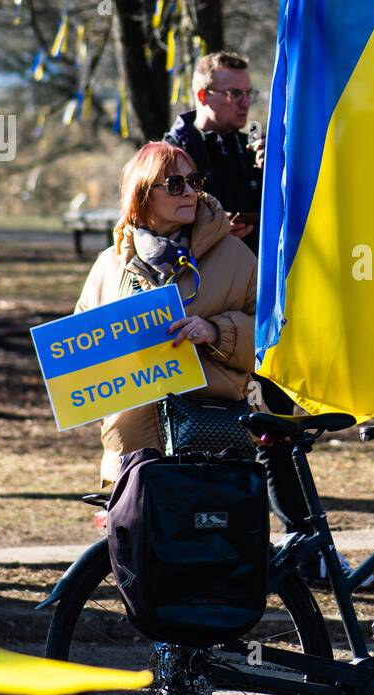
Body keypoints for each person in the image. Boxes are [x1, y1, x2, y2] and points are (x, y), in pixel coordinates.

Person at [75, 141, 258, 489]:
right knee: (137, 545)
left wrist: (217, 333)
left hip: (211, 448)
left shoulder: (236, 257)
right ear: (143, 195)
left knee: (212, 544)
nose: (189, 191)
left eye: (195, 181)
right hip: (131, 453)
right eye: (176, 184)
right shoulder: (108, 266)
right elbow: (82, 362)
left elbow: (274, 342)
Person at [164, 51, 264, 255]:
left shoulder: (253, 148)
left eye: (248, 93)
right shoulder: (170, 154)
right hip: (199, 280)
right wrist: (210, 230)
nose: (245, 103)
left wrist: (274, 174)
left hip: (254, 277)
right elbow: (157, 227)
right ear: (203, 96)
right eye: (235, 93)